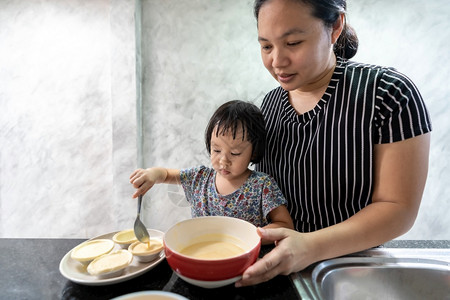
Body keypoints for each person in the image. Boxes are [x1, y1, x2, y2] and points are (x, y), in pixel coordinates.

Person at [235, 0, 432, 287]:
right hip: (275, 269)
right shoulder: (270, 105)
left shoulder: (388, 94)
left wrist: (310, 246)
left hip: (353, 274)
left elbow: (397, 208)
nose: (277, 61)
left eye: (293, 42)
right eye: (266, 46)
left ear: (335, 26)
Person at [130, 100, 294, 244]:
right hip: (202, 256)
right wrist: (152, 174)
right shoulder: (199, 178)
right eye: (216, 150)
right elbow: (167, 174)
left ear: (254, 152)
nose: (223, 160)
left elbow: (284, 225)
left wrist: (251, 237)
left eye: (235, 153)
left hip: (244, 261)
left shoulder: (261, 185)